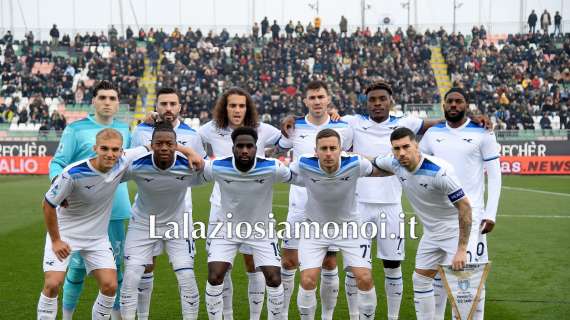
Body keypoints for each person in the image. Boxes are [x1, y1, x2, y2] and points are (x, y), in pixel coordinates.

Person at [38, 129, 148, 320]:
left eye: (115, 149)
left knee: (110, 286)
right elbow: (48, 204)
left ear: (122, 151)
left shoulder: (122, 162)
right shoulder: (72, 173)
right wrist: (56, 241)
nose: (110, 154)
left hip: (96, 238)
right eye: (104, 148)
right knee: (53, 284)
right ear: (95, 148)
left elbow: (152, 146)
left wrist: (190, 153)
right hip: (65, 235)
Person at [49, 81, 131, 319]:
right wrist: (57, 184)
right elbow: (58, 162)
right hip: (80, 212)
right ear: (93, 101)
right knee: (75, 270)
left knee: (116, 269)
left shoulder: (125, 130)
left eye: (112, 98)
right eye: (102, 97)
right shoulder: (76, 129)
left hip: (115, 208)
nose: (107, 102)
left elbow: (135, 158)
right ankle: (67, 316)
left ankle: (116, 316)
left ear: (118, 104)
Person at [198, 87, 281, 320]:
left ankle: (255, 316)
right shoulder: (211, 129)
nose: (237, 110)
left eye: (242, 106)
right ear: (225, 107)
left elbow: (288, 138)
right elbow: (188, 141)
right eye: (232, 105)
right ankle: (227, 315)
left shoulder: (262, 129)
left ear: (248, 108)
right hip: (220, 207)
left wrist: (291, 122)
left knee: (253, 264)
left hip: (254, 208)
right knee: (220, 269)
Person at [373, 127, 473, 320]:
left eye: (406, 147)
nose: (401, 153)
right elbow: (371, 162)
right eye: (396, 148)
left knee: (462, 289)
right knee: (420, 280)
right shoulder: (395, 163)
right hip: (432, 234)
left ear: (416, 146)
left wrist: (462, 248)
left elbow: (465, 207)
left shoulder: (439, 172)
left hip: (454, 232)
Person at [420, 87, 501, 320]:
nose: (454, 105)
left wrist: (491, 213)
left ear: (467, 105)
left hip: (472, 215)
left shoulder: (483, 132)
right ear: (443, 105)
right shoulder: (432, 134)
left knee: (469, 275)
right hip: (439, 215)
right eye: (450, 102)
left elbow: (494, 175)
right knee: (438, 274)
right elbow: (421, 170)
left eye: (459, 101)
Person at [277, 80, 353, 319]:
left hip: (329, 208)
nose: (317, 102)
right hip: (299, 204)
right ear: (305, 101)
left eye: (321, 97)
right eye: (312, 98)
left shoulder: (344, 128)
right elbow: (279, 146)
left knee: (329, 264)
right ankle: (282, 314)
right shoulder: (293, 127)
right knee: (289, 261)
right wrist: (288, 120)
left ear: (328, 99)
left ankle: (327, 316)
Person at [289, 128, 384, 320]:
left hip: (351, 228)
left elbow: (381, 169)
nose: (329, 153)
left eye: (333, 148)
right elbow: (279, 173)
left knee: (364, 278)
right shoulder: (304, 163)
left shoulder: (356, 163)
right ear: (316, 151)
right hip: (314, 229)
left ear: (341, 149)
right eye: (323, 148)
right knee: (307, 280)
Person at [130, 87, 207, 320]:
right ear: (157, 107)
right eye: (163, 104)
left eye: (173, 104)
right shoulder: (141, 131)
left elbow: (198, 164)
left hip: (181, 212)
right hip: (147, 212)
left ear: (180, 107)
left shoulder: (193, 134)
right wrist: (184, 150)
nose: (168, 109)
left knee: (184, 271)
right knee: (146, 266)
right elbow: (136, 159)